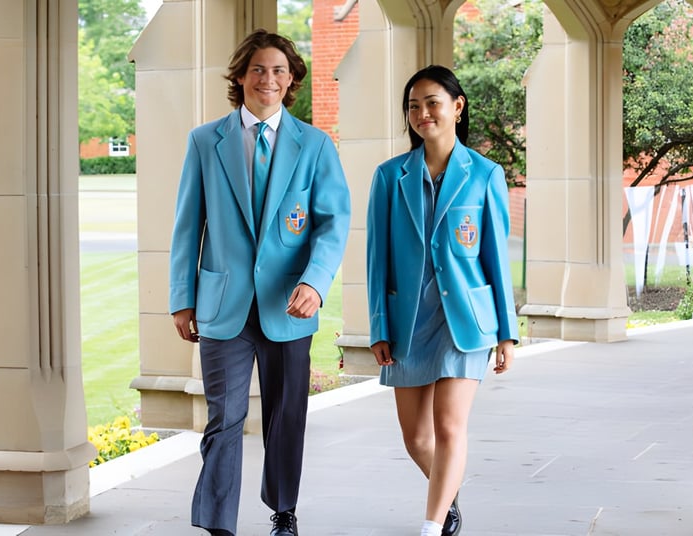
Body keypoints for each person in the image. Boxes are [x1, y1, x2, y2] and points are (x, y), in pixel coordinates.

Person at [169, 29, 351, 536]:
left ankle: (284, 511)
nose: (267, 79)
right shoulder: (206, 141)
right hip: (223, 304)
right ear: (240, 77)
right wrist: (182, 299)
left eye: (278, 70)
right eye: (257, 69)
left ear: (291, 79)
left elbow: (333, 223)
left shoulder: (314, 145)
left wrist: (315, 282)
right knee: (223, 419)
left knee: (286, 415)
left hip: (289, 305)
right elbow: (188, 226)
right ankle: (217, 522)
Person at [366, 65, 519, 536]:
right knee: (416, 438)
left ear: (457, 106)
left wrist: (507, 334)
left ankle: (431, 526)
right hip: (407, 321)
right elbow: (377, 259)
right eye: (414, 105)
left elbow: (496, 257)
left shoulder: (486, 175)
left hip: (465, 323)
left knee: (450, 429)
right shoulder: (390, 176)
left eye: (432, 102)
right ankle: (447, 494)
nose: (422, 113)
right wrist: (378, 328)